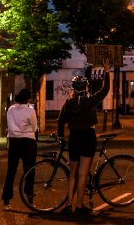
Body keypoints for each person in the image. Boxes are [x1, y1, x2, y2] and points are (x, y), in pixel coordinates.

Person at [56, 69, 111, 214]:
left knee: (73, 172)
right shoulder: (90, 101)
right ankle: (79, 206)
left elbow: (60, 122)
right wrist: (106, 72)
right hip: (88, 136)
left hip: (74, 137)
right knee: (82, 173)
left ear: (73, 88)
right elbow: (105, 89)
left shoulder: (69, 103)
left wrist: (61, 138)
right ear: (86, 88)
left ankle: (69, 205)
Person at [2, 88, 39, 210]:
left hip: (14, 142)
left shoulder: (11, 110)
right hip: (28, 141)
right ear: (27, 99)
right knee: (29, 171)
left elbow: (8, 125)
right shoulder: (30, 111)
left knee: (11, 171)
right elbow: (34, 128)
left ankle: (6, 201)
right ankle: (29, 199)